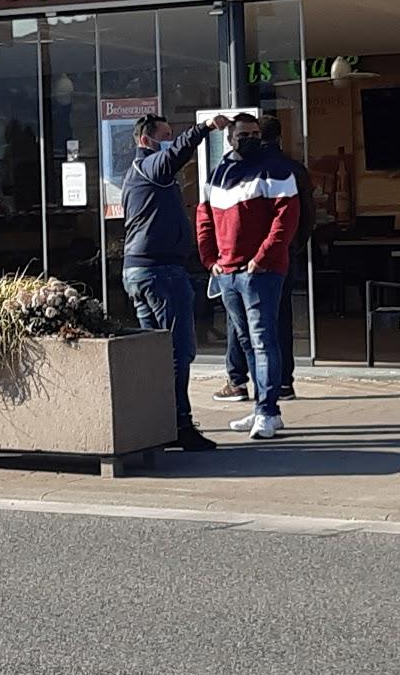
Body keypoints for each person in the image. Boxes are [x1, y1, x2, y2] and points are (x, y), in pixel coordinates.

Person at [121, 111, 229, 451]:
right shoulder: (149, 167)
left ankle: (158, 424)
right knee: (177, 352)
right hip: (160, 274)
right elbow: (174, 155)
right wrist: (203, 129)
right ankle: (180, 424)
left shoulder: (136, 176)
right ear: (145, 139)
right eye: (164, 135)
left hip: (142, 272)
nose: (169, 141)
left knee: (155, 354)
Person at [197, 114, 299, 440]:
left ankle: (267, 411)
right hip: (227, 272)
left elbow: (287, 219)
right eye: (243, 134)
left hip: (261, 272)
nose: (250, 139)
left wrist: (261, 258)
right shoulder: (218, 174)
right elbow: (204, 219)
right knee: (247, 343)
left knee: (263, 340)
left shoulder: (276, 168)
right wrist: (210, 259)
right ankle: (262, 409)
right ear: (230, 138)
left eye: (255, 133)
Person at [214, 115, 316, 402]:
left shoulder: (257, 170)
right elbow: (306, 217)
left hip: (253, 260)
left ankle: (241, 382)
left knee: (246, 327)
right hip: (278, 256)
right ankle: (281, 384)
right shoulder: (293, 169)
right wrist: (292, 247)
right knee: (276, 321)